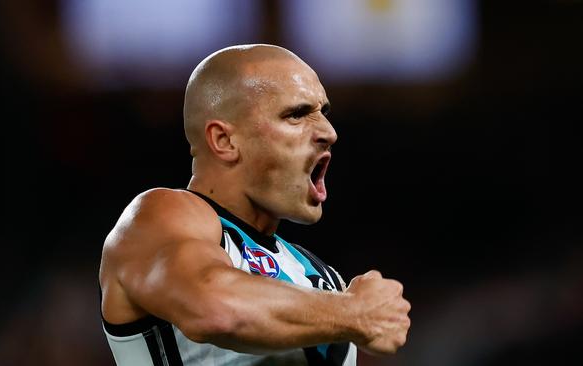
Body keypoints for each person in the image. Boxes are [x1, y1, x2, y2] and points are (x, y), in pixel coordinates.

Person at [99, 44, 411, 366]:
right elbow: (214, 309)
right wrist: (352, 311)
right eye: (297, 114)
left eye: (324, 113)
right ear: (225, 141)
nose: (329, 133)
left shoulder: (322, 277)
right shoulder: (161, 215)